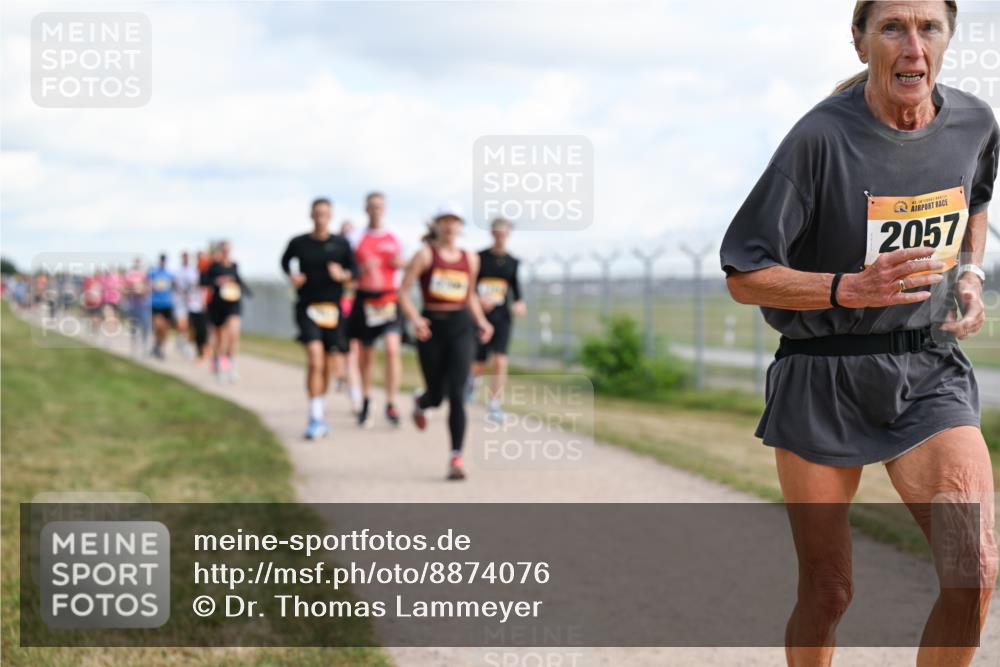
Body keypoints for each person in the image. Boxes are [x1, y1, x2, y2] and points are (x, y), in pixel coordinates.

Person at [719, 2, 998, 664]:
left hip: (928, 368)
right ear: (860, 42)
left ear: (947, 39)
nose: (913, 44)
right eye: (892, 28)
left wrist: (969, 276)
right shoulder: (819, 139)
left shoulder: (975, 124)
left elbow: (977, 197)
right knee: (828, 589)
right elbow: (744, 270)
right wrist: (848, 287)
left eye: (928, 27)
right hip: (824, 373)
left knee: (975, 569)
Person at [398, 203, 493, 481]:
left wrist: (482, 322)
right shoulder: (425, 256)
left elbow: (470, 295)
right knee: (436, 396)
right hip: (431, 329)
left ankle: (456, 457)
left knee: (457, 393)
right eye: (445, 221)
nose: (451, 226)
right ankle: (422, 400)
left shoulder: (471, 259)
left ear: (461, 226)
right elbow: (403, 293)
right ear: (437, 225)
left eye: (455, 221)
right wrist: (415, 319)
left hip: (461, 328)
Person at [281, 198, 357, 439]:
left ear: (330, 216)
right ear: (311, 216)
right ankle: (314, 417)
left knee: (327, 363)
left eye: (325, 214)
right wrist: (292, 276)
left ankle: (319, 409)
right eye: (317, 213)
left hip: (333, 310)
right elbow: (284, 261)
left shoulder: (341, 244)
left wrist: (342, 275)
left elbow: (354, 272)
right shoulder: (299, 242)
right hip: (307, 308)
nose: (320, 217)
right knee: (314, 360)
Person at [347, 192, 406, 428]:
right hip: (365, 300)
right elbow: (348, 272)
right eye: (372, 207)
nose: (376, 210)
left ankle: (391, 402)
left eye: (380, 206)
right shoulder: (355, 238)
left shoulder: (396, 237)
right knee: (366, 355)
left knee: (392, 350)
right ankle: (367, 399)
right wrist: (361, 269)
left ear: (385, 209)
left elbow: (409, 264)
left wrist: (401, 263)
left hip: (390, 299)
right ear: (366, 209)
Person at [470, 217, 526, 420]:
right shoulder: (479, 257)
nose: (501, 235)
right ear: (492, 233)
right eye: (497, 231)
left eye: (505, 232)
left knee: (500, 360)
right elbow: (470, 286)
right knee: (478, 362)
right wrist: (478, 300)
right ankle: (473, 383)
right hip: (480, 316)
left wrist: (520, 302)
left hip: (502, 316)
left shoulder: (512, 262)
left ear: (509, 234)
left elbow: (515, 288)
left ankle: (495, 404)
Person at [204, 240, 250, 382]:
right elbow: (204, 281)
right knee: (220, 339)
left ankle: (232, 368)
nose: (226, 252)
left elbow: (239, 280)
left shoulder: (234, 265)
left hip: (233, 303)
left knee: (233, 334)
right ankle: (217, 365)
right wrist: (217, 282)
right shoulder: (213, 266)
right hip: (218, 305)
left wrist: (247, 291)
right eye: (224, 250)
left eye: (228, 250)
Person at [338, 220, 364, 413]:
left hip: (357, 311)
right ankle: (353, 393)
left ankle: (356, 394)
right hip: (339, 311)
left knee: (353, 355)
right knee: (347, 355)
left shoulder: (359, 261)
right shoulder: (335, 258)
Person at [148, 254, 175, 360]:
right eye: (162, 260)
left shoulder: (170, 274)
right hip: (156, 303)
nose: (163, 262)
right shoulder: (153, 273)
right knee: (158, 326)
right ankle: (157, 345)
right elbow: (147, 284)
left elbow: (174, 286)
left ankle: (159, 347)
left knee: (165, 329)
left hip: (167, 303)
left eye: (165, 260)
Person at [123, 258, 151, 355]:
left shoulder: (145, 274)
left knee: (145, 327)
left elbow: (148, 288)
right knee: (133, 328)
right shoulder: (129, 274)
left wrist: (142, 291)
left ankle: (144, 346)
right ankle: (133, 348)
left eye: (139, 262)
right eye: (136, 262)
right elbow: (125, 289)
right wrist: (132, 290)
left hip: (143, 305)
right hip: (132, 305)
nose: (137, 264)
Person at [173, 251, 198, 358]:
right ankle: (181, 339)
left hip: (191, 301)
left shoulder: (194, 271)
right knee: (181, 323)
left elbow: (195, 284)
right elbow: (175, 284)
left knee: (190, 325)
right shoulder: (177, 272)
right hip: (180, 301)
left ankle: (185, 343)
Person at [186, 251, 209, 361]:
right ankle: (198, 351)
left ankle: (203, 349)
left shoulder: (208, 273)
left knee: (203, 330)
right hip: (193, 305)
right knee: (195, 330)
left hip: (204, 306)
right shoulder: (192, 273)